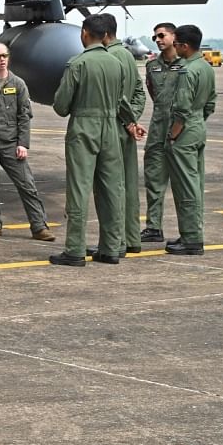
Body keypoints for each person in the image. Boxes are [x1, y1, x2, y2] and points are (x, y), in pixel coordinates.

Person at [49, 14, 139, 267]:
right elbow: (122, 101)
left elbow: (61, 106)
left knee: (79, 189)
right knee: (112, 189)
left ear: (86, 33)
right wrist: (131, 122)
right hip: (111, 127)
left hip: (84, 127)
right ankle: (111, 248)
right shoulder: (116, 62)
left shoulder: (77, 63)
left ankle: (75, 250)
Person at [0, 42, 54, 242]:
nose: (2, 59)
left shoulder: (18, 84)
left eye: (5, 55)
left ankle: (39, 227)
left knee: (27, 185)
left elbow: (24, 116)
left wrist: (23, 144)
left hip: (12, 144)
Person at [165, 24, 217, 255]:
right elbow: (210, 103)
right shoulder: (205, 67)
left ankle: (192, 239)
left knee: (186, 187)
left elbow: (182, 108)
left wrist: (174, 134)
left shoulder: (187, 71)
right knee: (196, 184)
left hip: (185, 132)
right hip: (198, 127)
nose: (174, 48)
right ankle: (191, 232)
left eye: (176, 44)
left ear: (184, 46)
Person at [100, 15, 147, 255]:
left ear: (105, 34)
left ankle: (114, 243)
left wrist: (127, 121)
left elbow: (115, 96)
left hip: (111, 128)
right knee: (129, 185)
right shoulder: (128, 56)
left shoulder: (107, 57)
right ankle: (132, 238)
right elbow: (139, 93)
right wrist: (133, 120)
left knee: (112, 186)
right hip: (126, 130)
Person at [141, 22, 180, 243]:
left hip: (180, 130)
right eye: (155, 37)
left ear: (175, 36)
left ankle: (189, 230)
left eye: (162, 35)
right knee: (153, 180)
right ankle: (153, 227)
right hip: (157, 129)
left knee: (182, 182)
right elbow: (154, 94)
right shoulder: (151, 66)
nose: (157, 40)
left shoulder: (187, 65)